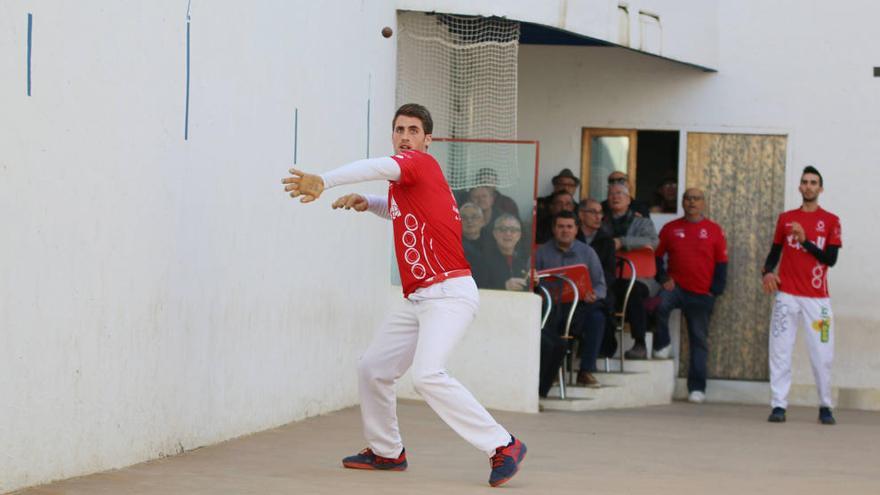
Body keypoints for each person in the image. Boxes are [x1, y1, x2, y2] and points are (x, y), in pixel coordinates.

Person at [281, 103, 526, 486]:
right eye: (399, 130)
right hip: (418, 298)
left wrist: (325, 180)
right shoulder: (406, 183)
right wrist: (370, 203)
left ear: (428, 140)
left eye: (413, 130)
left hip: (449, 292)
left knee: (427, 375)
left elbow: (376, 167)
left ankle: (503, 444)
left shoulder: (420, 164)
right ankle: (386, 452)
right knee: (373, 368)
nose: (405, 137)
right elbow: (402, 211)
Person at [762, 166, 842, 425]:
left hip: (818, 301)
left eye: (813, 183)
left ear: (821, 188)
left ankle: (825, 406)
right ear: (799, 187)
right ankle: (778, 405)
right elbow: (774, 252)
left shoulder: (831, 220)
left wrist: (806, 241)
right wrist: (766, 272)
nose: (808, 186)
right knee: (780, 350)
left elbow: (831, 259)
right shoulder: (785, 218)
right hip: (787, 295)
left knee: (822, 354)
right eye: (804, 182)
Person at [654, 188, 728, 404]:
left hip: (701, 293)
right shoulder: (670, 229)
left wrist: (714, 291)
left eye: (696, 199)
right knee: (658, 303)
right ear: (682, 202)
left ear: (703, 203)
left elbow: (722, 263)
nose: (692, 202)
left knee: (698, 340)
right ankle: (662, 344)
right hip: (676, 288)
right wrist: (663, 278)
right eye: (688, 198)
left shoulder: (714, 230)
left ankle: (697, 388)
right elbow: (656, 258)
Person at [536, 211, 607, 394]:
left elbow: (601, 286)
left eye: (569, 227)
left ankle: (585, 370)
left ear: (576, 229)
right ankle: (548, 373)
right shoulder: (541, 252)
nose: (565, 231)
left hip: (580, 307)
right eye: (560, 226)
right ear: (553, 229)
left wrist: (594, 295)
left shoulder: (588, 253)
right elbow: (531, 281)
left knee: (597, 318)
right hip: (550, 307)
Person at [603, 183, 658, 359]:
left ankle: (640, 343)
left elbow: (652, 241)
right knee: (602, 294)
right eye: (611, 194)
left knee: (632, 291)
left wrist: (623, 242)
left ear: (628, 200)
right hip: (611, 277)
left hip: (640, 278)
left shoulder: (642, 221)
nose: (615, 197)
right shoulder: (601, 222)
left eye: (620, 193)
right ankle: (606, 343)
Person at [577, 198, 619, 358]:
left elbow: (609, 273)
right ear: (581, 215)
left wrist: (593, 290)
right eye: (593, 212)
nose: (598, 216)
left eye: (600, 212)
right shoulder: (572, 235)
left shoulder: (607, 241)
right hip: (574, 289)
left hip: (597, 291)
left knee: (600, 312)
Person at [483, 214, 531, 291]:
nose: (508, 233)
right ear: (495, 233)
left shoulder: (524, 262)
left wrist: (533, 283)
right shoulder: (482, 261)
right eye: (502, 229)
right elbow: (477, 289)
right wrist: (503, 286)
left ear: (519, 235)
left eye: (513, 230)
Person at [459, 202, 490, 287]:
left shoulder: (492, 244)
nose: (469, 221)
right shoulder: (454, 245)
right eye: (464, 218)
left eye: (474, 217)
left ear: (483, 221)